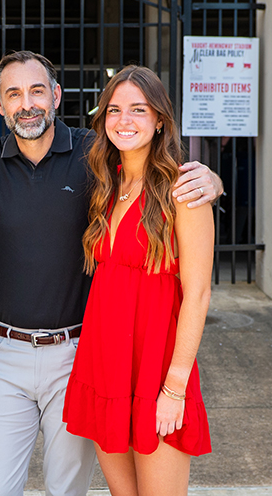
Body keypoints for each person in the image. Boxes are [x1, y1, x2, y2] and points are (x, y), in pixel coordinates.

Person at [0, 51, 221, 496]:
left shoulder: (96, 157)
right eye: (14, 94)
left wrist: (210, 180)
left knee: (67, 490)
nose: (27, 103)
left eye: (36, 91)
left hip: (77, 355)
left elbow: (155, 173)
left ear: (56, 95)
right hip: (4, 351)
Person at [63, 65, 213, 496]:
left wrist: (175, 388)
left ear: (160, 119)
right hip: (105, 363)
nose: (123, 120)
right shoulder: (105, 183)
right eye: (114, 110)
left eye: (138, 110)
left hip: (156, 368)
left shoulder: (184, 190)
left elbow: (198, 294)